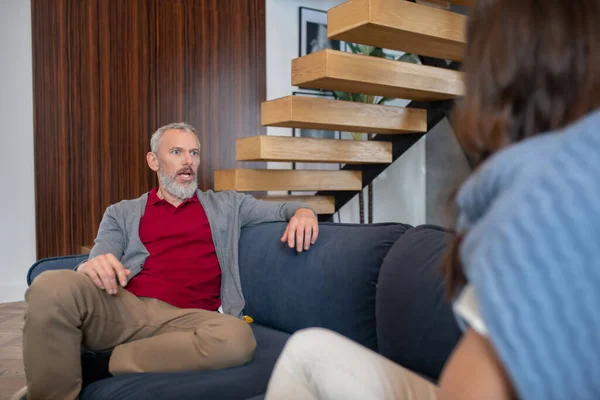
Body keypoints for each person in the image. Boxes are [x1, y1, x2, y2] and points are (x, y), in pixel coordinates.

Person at [264, 0, 600, 399]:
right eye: (179, 152)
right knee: (308, 349)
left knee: (305, 354)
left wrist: (302, 208)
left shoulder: (548, 193)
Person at [14, 122, 319, 400]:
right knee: (49, 285)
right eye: (177, 152)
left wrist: (304, 212)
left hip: (192, 319)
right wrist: (91, 266)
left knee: (236, 339)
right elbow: (102, 255)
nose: (188, 161)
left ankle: (100, 366)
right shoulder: (122, 212)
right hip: (127, 309)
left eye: (194, 153)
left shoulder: (227, 204)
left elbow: (283, 209)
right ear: (154, 161)